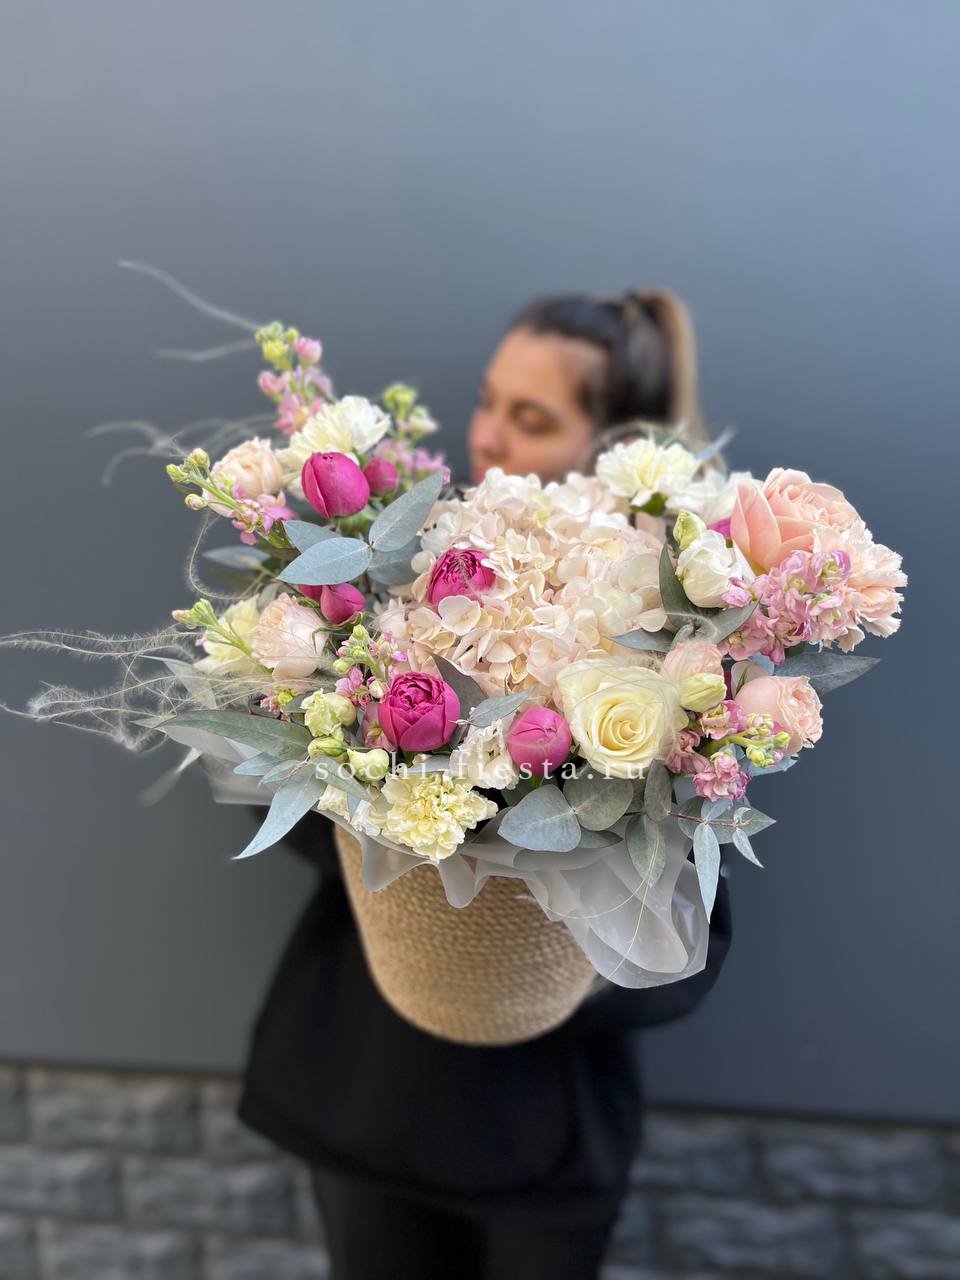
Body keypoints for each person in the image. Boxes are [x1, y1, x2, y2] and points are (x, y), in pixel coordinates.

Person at [238, 289, 732, 1280]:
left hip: (539, 1136)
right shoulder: (400, 575)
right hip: (363, 1090)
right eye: (487, 400)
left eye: (533, 417)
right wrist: (363, 784)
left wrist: (540, 936)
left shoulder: (679, 651)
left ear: (616, 446)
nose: (489, 437)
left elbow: (694, 945)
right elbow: (276, 818)